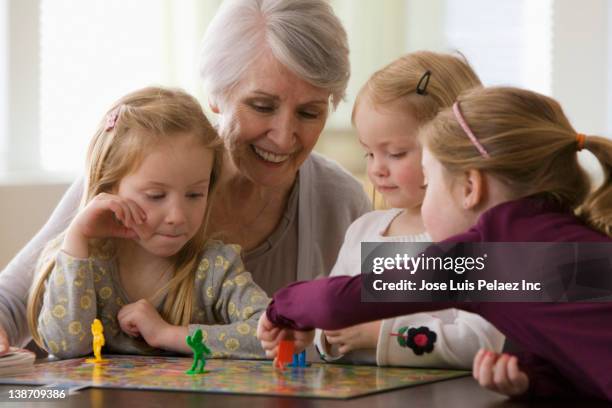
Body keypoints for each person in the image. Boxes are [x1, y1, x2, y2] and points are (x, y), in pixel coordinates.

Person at [0, 0, 370, 350]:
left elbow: (409, 310)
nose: (285, 135)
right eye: (262, 106)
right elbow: (12, 302)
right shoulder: (135, 180)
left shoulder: (340, 199)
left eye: (309, 113)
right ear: (216, 95)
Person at [259, 86, 612, 400]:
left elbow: (340, 302)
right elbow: (586, 358)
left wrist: (282, 306)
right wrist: (535, 381)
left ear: (470, 187)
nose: (425, 199)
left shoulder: (489, 258)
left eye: (430, 180)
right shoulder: (569, 245)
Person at [28, 86, 270, 359]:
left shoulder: (214, 267)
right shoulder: (84, 262)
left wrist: (166, 334)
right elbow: (65, 347)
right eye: (156, 196)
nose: (177, 216)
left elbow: (270, 335)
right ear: (108, 187)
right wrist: (77, 238)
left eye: (194, 194)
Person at [314, 52, 504, 368]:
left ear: (454, 150)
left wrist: (381, 335)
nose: (376, 169)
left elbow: (480, 343)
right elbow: (329, 311)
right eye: (368, 154)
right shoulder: (363, 230)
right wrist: (325, 336)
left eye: (395, 153)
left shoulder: (477, 244)